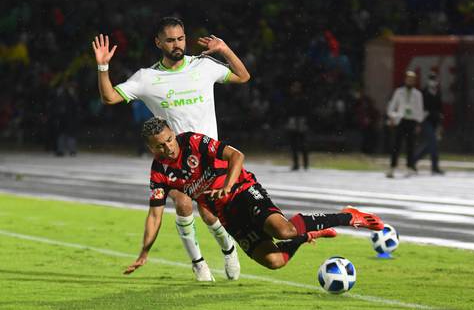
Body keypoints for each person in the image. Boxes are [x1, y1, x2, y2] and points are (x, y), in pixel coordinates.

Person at [92, 17, 251, 281]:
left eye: (180, 38)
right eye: (170, 40)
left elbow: (243, 76)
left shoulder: (204, 66)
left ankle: (228, 248)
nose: (176, 44)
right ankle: (199, 263)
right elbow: (109, 97)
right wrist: (102, 65)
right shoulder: (147, 78)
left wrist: (224, 50)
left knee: (210, 212)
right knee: (182, 202)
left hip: (210, 154)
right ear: (158, 42)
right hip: (175, 157)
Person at [124, 117, 384, 273]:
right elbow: (154, 215)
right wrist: (144, 252)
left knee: (282, 231)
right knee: (274, 261)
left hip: (243, 190)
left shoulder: (192, 141)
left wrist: (228, 184)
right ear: (150, 148)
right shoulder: (159, 172)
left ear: (172, 132)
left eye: (169, 139)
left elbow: (236, 156)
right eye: (160, 145)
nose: (168, 147)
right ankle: (307, 234)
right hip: (227, 214)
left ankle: (348, 216)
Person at [386, 71, 424, 178]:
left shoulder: (418, 94)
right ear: (405, 79)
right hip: (401, 120)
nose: (410, 81)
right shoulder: (399, 92)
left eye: (412, 79)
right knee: (396, 145)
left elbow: (419, 109)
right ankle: (392, 167)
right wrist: (392, 116)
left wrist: (418, 123)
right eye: (408, 78)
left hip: (411, 121)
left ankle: (410, 167)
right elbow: (392, 106)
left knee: (410, 145)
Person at [414, 71, 444, 175]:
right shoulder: (424, 92)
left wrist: (440, 124)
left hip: (435, 122)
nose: (433, 82)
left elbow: (440, 108)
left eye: (435, 79)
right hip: (425, 121)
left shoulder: (438, 92)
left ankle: (413, 160)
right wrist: (418, 123)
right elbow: (420, 108)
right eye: (432, 79)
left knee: (430, 145)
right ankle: (434, 166)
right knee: (433, 142)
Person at [285, 80, 309, 170]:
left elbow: (306, 111)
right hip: (292, 122)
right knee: (293, 144)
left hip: (301, 121)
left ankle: (306, 164)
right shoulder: (290, 98)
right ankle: (296, 164)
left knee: (303, 144)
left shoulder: (303, 98)